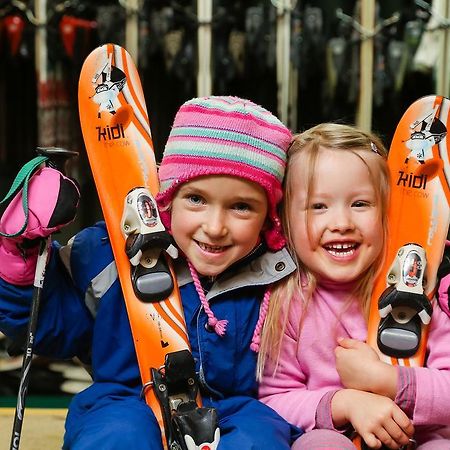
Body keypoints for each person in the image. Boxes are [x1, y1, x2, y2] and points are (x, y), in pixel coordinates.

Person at [0, 96, 302, 449]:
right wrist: (18, 255)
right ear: (169, 195)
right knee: (117, 436)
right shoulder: (110, 254)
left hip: (233, 406)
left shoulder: (279, 274)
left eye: (241, 207)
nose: (215, 226)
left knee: (260, 436)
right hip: (125, 401)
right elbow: (48, 328)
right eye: (196, 199)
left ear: (269, 216)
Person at [256, 123, 450, 449]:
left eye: (360, 204)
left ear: (389, 213)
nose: (342, 223)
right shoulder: (287, 300)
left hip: (418, 438)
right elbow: (275, 400)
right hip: (337, 437)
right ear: (285, 220)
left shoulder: (421, 290)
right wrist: (345, 404)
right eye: (319, 206)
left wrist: (387, 382)